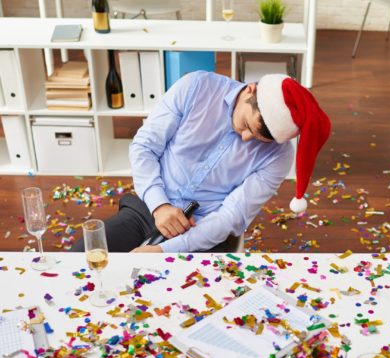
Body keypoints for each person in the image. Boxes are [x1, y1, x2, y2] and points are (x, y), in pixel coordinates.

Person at [71, 70, 330, 253]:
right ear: (251, 89)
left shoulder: (280, 156)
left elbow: (230, 217)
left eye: (259, 139)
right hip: (148, 208)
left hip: (203, 235)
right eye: (247, 125)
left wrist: (163, 251)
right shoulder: (196, 86)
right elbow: (144, 147)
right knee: (81, 256)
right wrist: (160, 206)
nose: (246, 138)